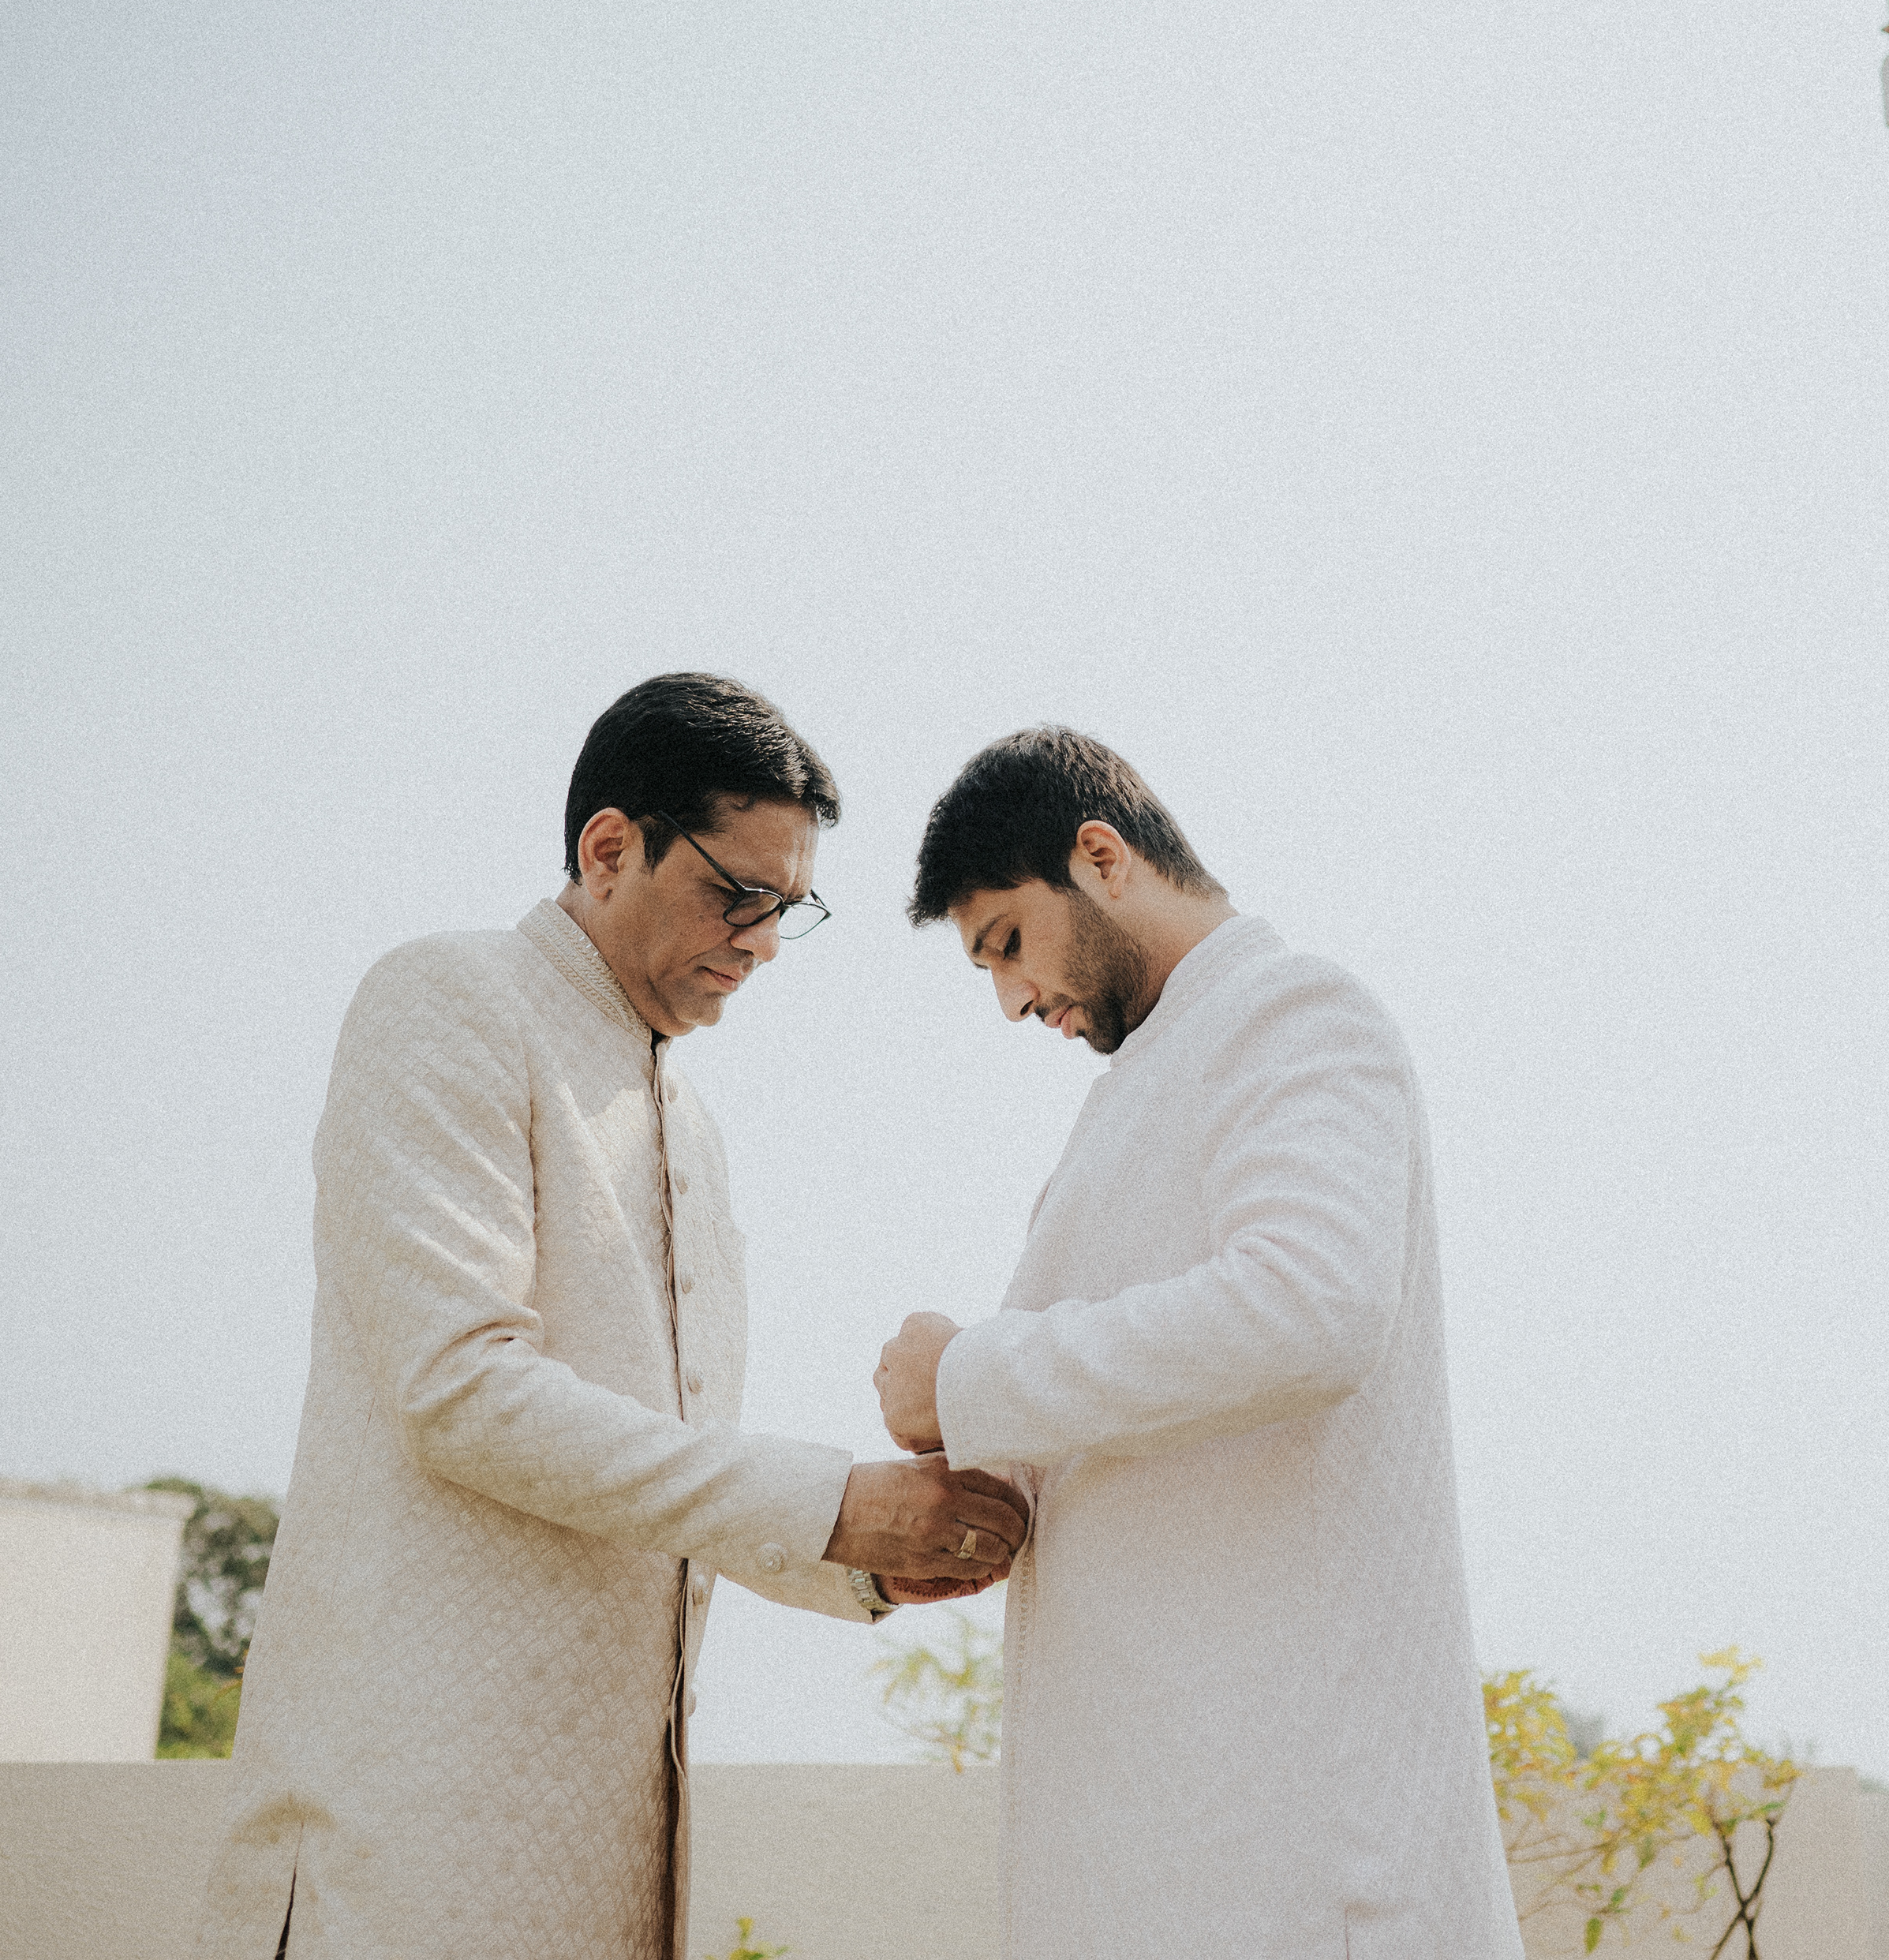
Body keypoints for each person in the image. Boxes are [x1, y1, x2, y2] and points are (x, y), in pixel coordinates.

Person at [196, 674, 1026, 1960]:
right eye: (737, 894)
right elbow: (463, 1392)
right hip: (405, 1846)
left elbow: (666, 1476)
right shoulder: (449, 998)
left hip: (612, 1862)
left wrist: (866, 1563)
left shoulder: (690, 1121)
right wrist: (831, 1505)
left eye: (788, 910)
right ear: (608, 848)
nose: (761, 941)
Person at [873, 724, 1524, 1960]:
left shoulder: (1293, 1013)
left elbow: (1308, 1308)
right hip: (1160, 1844)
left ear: (1101, 858)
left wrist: (964, 1375)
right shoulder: (1135, 1093)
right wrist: (964, 1497)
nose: (1012, 999)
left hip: (1286, 1853)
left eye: (1008, 941)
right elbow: (1117, 1413)